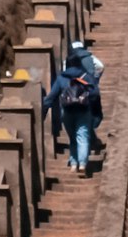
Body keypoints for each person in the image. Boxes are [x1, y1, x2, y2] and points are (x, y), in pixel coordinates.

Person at [42, 46, 100, 174]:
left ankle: (73, 164)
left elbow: (51, 97)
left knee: (73, 138)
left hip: (67, 112)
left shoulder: (61, 78)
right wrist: (95, 111)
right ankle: (83, 164)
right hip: (84, 111)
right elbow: (95, 94)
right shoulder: (86, 76)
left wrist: (43, 110)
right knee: (83, 136)